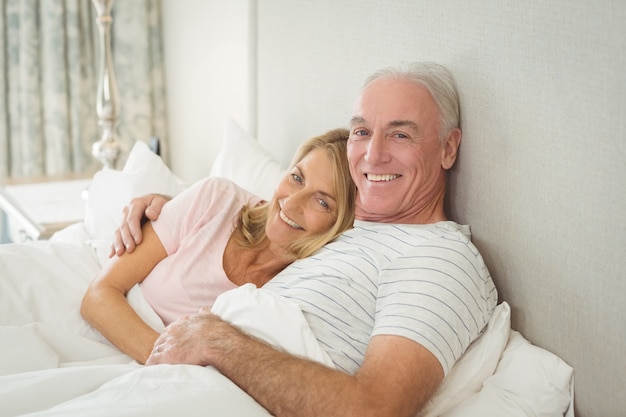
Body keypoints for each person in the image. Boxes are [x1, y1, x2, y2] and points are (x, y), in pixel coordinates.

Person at [114, 62, 497, 417]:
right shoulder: (344, 227)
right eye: (362, 132)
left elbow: (375, 409)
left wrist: (220, 343)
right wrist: (169, 203)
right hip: (184, 377)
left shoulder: (439, 257)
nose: (373, 155)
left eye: (400, 134)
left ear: (448, 147)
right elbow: (267, 212)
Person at [80, 128, 356, 364]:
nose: (292, 203)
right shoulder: (216, 199)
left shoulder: (303, 290)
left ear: (340, 225)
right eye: (297, 177)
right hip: (100, 327)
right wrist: (165, 358)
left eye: (322, 202)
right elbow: (99, 295)